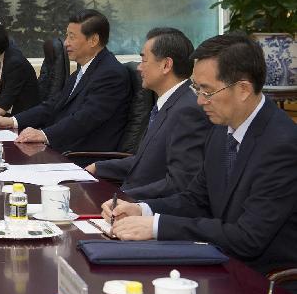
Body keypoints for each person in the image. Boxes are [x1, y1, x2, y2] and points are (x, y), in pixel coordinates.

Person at [104, 33, 297, 276]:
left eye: (207, 91)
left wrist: (157, 226)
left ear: (244, 89)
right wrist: (142, 209)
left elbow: (248, 238)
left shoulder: (281, 145)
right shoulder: (221, 130)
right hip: (219, 263)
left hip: (264, 283)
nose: (198, 101)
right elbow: (196, 199)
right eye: (197, 88)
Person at [86, 27, 212, 199]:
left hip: (145, 210)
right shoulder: (170, 103)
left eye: (144, 60)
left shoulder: (187, 111)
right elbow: (148, 162)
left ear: (166, 65)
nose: (139, 67)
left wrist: (120, 198)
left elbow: (180, 183)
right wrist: (98, 167)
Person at [0, 9, 131, 153]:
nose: (66, 43)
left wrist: (43, 135)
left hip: (82, 156)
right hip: (62, 147)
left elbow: (84, 119)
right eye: (66, 36)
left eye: (72, 37)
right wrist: (13, 121)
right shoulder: (83, 70)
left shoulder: (111, 74)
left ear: (93, 40)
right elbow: (53, 105)